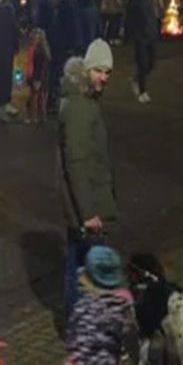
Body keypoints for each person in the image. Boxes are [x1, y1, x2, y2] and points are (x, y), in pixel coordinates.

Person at [58, 40, 118, 312]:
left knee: (79, 264)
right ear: (87, 69)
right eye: (99, 71)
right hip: (87, 205)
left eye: (107, 72)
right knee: (89, 272)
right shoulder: (81, 107)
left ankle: (77, 324)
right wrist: (88, 212)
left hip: (84, 204)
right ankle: (83, 326)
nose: (104, 78)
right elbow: (78, 163)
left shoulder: (82, 101)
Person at [125, 0, 159, 103]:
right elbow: (130, 18)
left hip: (150, 34)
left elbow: (152, 14)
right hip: (140, 35)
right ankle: (142, 91)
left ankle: (137, 80)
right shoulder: (134, 0)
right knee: (142, 63)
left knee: (151, 63)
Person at [24, 28, 51, 125]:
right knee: (40, 98)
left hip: (37, 77)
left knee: (35, 98)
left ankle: (34, 117)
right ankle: (41, 117)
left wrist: (37, 79)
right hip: (39, 77)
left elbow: (37, 66)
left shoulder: (38, 51)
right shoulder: (43, 50)